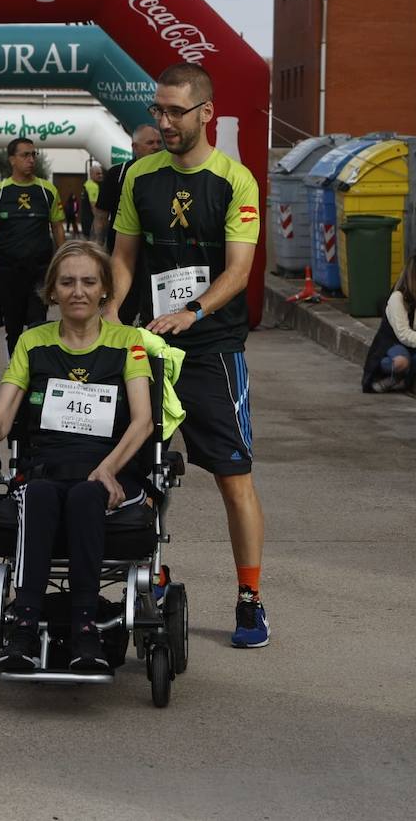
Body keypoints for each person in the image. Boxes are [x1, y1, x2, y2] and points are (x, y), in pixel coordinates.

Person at [109, 61, 271, 648]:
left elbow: (239, 269)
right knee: (128, 468)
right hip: (146, 344)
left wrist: (194, 312)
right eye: (159, 110)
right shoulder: (139, 176)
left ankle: (250, 598)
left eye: (176, 111)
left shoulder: (236, 180)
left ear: (206, 112)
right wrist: (108, 319)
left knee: (234, 479)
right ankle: (143, 572)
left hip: (210, 346)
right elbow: (124, 259)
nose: (165, 121)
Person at [0, 241, 153, 674]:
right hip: (46, 471)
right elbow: (2, 425)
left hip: (110, 472)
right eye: (67, 282)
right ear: (52, 292)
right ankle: (24, 624)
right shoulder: (33, 342)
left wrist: (106, 469)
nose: (78, 291)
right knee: (41, 495)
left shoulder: (129, 343)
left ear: (105, 290)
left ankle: (86, 627)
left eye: (89, 282)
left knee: (86, 496)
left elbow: (142, 421)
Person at [0, 138, 65, 353]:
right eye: (25, 155)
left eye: (33, 155)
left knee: (37, 323)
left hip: (39, 270)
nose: (31, 159)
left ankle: (33, 375)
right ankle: (15, 372)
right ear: (12, 160)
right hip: (8, 271)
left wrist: (64, 261)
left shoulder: (48, 191)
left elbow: (57, 229)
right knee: (13, 327)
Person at [95, 124, 163, 324]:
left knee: (154, 318)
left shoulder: (167, 173)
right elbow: (100, 218)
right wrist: (97, 253)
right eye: (150, 142)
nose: (156, 147)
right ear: (135, 147)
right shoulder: (117, 174)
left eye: (159, 142)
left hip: (156, 259)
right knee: (122, 314)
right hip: (123, 257)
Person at [361, 252, 416, 392]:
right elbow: (403, 334)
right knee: (402, 361)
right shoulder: (399, 298)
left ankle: (400, 378)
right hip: (396, 341)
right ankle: (387, 372)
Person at [80, 162, 103, 240]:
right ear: (91, 174)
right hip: (90, 220)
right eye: (98, 174)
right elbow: (93, 205)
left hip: (84, 218)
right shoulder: (93, 186)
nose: (101, 176)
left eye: (101, 173)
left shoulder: (86, 184)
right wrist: (98, 222)